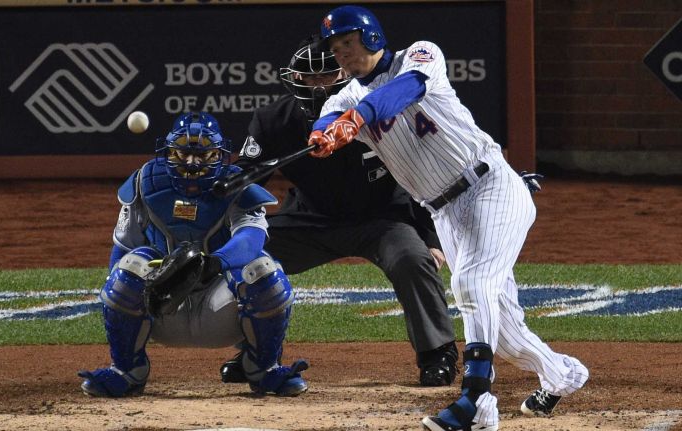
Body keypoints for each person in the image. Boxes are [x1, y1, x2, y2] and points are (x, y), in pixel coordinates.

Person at [308, 5, 588, 431]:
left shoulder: (420, 54)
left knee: (471, 284)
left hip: (490, 185)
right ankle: (563, 375)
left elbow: (405, 90)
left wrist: (356, 119)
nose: (342, 53)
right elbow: (330, 118)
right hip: (445, 212)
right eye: (335, 47)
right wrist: (324, 133)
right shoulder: (344, 99)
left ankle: (476, 401)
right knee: (507, 335)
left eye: (348, 42)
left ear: (371, 37)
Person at [223, 35, 460, 388]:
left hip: (383, 219)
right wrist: (227, 181)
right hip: (310, 220)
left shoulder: (383, 113)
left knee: (413, 259)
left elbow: (424, 172)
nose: (318, 85)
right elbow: (247, 173)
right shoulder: (274, 120)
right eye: (310, 77)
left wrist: (430, 236)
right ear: (295, 79)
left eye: (327, 76)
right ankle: (257, 355)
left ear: (345, 74)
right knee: (246, 259)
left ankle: (438, 355)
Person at [78, 112, 309, 398]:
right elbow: (122, 248)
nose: (192, 163)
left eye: (203, 155)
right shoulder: (144, 182)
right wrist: (124, 299)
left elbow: (252, 238)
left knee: (264, 270)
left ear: (219, 155)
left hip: (220, 306)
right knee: (127, 269)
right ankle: (126, 370)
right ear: (169, 152)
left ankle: (263, 369)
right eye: (184, 153)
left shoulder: (238, 184)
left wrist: (215, 263)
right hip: (162, 307)